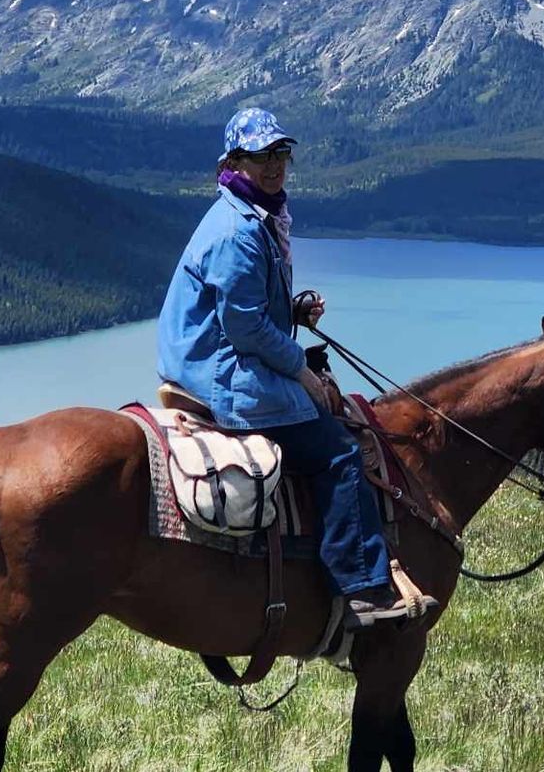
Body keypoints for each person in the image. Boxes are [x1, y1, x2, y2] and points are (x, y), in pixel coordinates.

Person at [156, 107, 416, 628]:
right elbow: (245, 330)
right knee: (339, 455)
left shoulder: (252, 214)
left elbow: (247, 310)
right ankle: (363, 588)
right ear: (234, 161)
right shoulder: (239, 231)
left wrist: (291, 312)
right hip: (225, 374)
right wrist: (302, 372)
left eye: (280, 153)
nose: (274, 165)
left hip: (217, 358)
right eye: (260, 156)